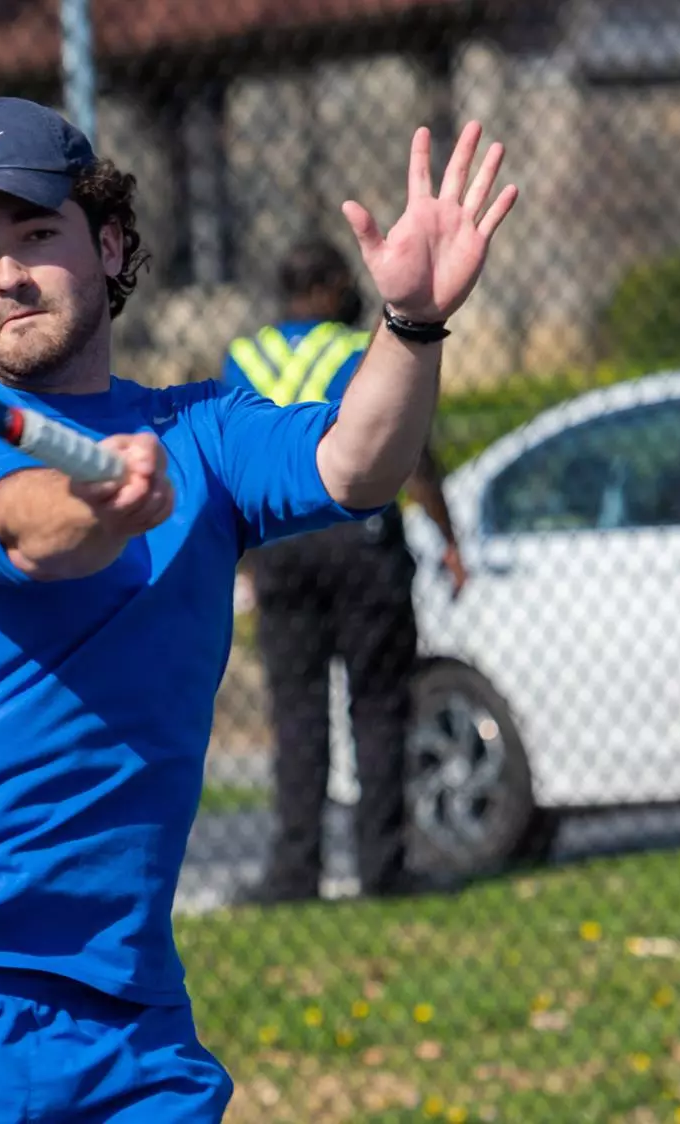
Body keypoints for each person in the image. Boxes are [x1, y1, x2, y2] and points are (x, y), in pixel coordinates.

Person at [0, 95, 517, 1123]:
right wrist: (101, 501)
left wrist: (410, 323)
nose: (7, 274)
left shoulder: (202, 431)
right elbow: (31, 531)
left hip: (125, 1025)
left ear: (109, 239)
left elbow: (358, 461)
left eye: (35, 232)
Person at [223, 239, 469, 906]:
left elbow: (230, 458)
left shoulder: (244, 358)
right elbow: (407, 444)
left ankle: (294, 871)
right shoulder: (359, 351)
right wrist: (448, 538)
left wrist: (237, 554)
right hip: (360, 545)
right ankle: (382, 868)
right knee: (380, 708)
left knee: (297, 714)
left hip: (281, 550)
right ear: (331, 288)